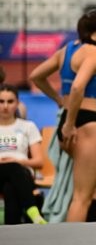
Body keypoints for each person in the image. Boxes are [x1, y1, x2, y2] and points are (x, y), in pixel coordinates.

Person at [29, 10, 96, 222]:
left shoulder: (65, 51)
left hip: (70, 119)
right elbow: (78, 87)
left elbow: (36, 76)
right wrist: (69, 124)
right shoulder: (95, 53)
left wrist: (59, 101)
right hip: (82, 124)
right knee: (81, 197)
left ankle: (90, 232)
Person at [0, 84, 47, 224]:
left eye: (10, 101)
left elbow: (39, 162)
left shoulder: (28, 126)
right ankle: (33, 210)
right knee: (14, 169)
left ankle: (11, 231)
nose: (5, 106)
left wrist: (19, 162)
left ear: (18, 103)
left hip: (21, 173)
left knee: (10, 188)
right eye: (1, 102)